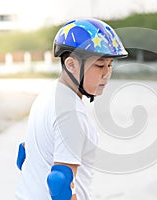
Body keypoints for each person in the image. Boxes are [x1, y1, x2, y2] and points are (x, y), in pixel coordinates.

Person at [15, 18, 128, 200]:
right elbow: (60, 184)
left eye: (110, 65)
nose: (107, 73)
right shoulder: (70, 113)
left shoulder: (46, 95)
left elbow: (25, 155)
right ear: (71, 64)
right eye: (99, 65)